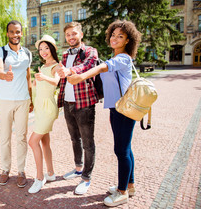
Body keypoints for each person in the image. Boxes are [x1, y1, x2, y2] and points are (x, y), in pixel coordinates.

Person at [67, 20, 141, 207]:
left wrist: (81, 77)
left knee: (121, 150)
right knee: (126, 148)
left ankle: (122, 192)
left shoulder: (123, 58)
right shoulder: (115, 56)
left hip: (124, 110)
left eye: (121, 36)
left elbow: (101, 68)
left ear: (128, 41)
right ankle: (129, 186)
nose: (115, 38)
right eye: (113, 35)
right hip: (116, 108)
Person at [56, 21, 99, 195]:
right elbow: (63, 78)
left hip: (84, 104)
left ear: (81, 34)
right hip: (68, 102)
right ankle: (78, 168)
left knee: (88, 142)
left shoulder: (90, 51)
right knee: (75, 139)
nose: (71, 37)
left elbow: (87, 66)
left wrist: (70, 70)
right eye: (68, 35)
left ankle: (86, 178)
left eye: (74, 34)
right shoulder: (65, 54)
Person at [0, 20, 33, 188]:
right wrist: (4, 76)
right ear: (7, 34)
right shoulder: (0, 51)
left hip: (23, 100)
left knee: (22, 137)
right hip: (4, 100)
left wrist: (31, 98)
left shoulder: (27, 53)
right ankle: (5, 170)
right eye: (12, 32)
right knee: (5, 137)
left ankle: (21, 171)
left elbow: (28, 76)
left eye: (18, 32)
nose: (15, 35)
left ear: (21, 33)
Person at [28, 35, 60, 194]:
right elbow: (39, 88)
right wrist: (35, 83)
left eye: (46, 48)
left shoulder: (56, 66)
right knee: (45, 142)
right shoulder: (43, 66)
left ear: (52, 48)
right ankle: (51, 173)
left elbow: (56, 81)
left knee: (32, 142)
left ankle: (40, 178)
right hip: (40, 108)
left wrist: (44, 77)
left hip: (48, 108)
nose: (43, 52)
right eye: (40, 49)